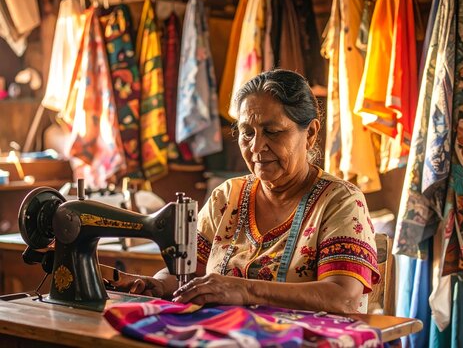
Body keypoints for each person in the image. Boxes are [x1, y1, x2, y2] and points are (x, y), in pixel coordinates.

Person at [106, 69, 380, 314]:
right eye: (247, 133)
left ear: (310, 134)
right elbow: (187, 273)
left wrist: (245, 290)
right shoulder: (226, 197)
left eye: (272, 132)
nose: (256, 147)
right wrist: (156, 285)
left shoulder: (340, 202)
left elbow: (343, 297)